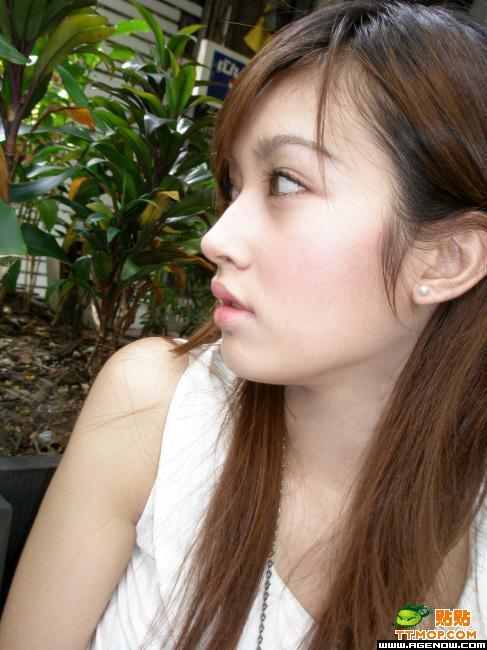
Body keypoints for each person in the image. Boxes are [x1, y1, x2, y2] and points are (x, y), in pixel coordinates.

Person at [0, 1, 485, 648]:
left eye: (285, 182)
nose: (215, 238)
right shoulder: (155, 409)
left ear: (446, 259)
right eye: (233, 185)